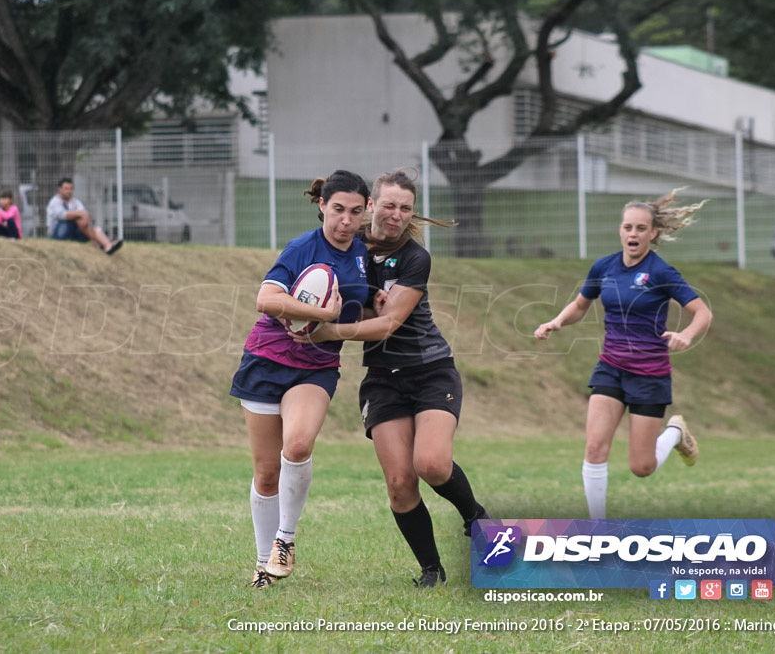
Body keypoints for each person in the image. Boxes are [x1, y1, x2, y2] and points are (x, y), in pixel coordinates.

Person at [301, 168, 490, 588]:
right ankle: (431, 570)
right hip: (383, 378)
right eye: (389, 205)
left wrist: (330, 329)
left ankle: (476, 517)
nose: (396, 215)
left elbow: (387, 324)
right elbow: (333, 285)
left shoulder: (415, 257)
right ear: (371, 205)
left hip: (430, 370)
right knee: (400, 483)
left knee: (431, 464)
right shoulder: (350, 244)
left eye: (406, 208)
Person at [533, 189, 713, 519]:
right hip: (611, 368)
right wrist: (556, 321)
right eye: (628, 227)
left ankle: (675, 433)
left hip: (650, 375)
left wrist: (686, 335)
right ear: (620, 229)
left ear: (653, 233)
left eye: (641, 229)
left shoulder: (661, 272)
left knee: (641, 467)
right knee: (594, 447)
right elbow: (579, 306)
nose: (633, 234)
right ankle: (597, 529)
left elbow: (702, 312)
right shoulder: (604, 267)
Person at [230, 170, 370, 589]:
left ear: (365, 214)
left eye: (356, 212)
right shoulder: (302, 247)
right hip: (266, 360)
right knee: (266, 472)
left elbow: (363, 300)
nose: (346, 220)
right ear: (323, 206)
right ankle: (261, 566)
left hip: (315, 366)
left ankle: (285, 541)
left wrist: (374, 301)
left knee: (299, 444)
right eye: (339, 209)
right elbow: (265, 299)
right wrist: (323, 314)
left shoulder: (364, 254)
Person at [46, 178, 122, 254]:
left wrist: (84, 217)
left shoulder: (75, 201)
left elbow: (86, 214)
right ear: (59, 189)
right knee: (77, 218)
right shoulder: (54, 202)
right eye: (66, 189)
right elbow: (63, 215)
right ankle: (102, 243)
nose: (69, 191)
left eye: (71, 189)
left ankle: (107, 245)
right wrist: (79, 214)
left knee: (94, 228)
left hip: (73, 232)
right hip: (58, 234)